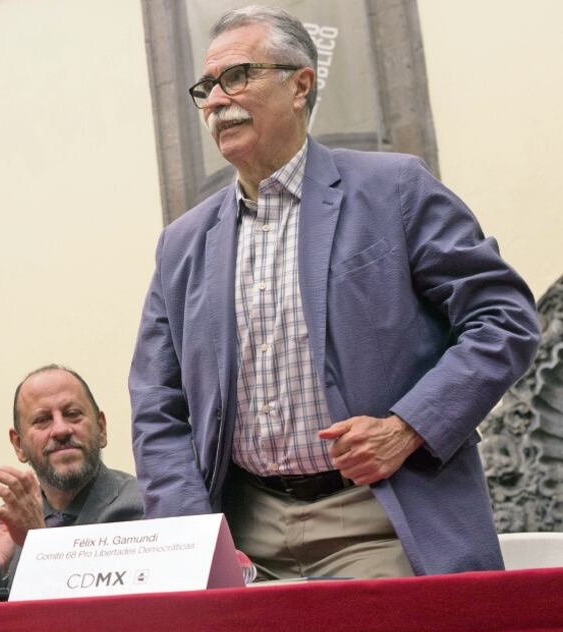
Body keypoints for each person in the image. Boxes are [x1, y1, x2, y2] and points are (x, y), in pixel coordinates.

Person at [129, 5, 540, 579]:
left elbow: (503, 317)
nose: (217, 100)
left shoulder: (395, 189)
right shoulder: (182, 245)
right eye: (206, 87)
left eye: (237, 76)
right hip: (244, 531)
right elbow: (157, 402)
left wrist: (408, 428)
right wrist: (196, 539)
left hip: (380, 516)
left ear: (300, 85)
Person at [0, 365, 143, 579]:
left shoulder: (142, 506)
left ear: (102, 429)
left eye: (72, 414)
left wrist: (39, 542)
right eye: (42, 420)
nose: (61, 430)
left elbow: (114, 607)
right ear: (19, 445)